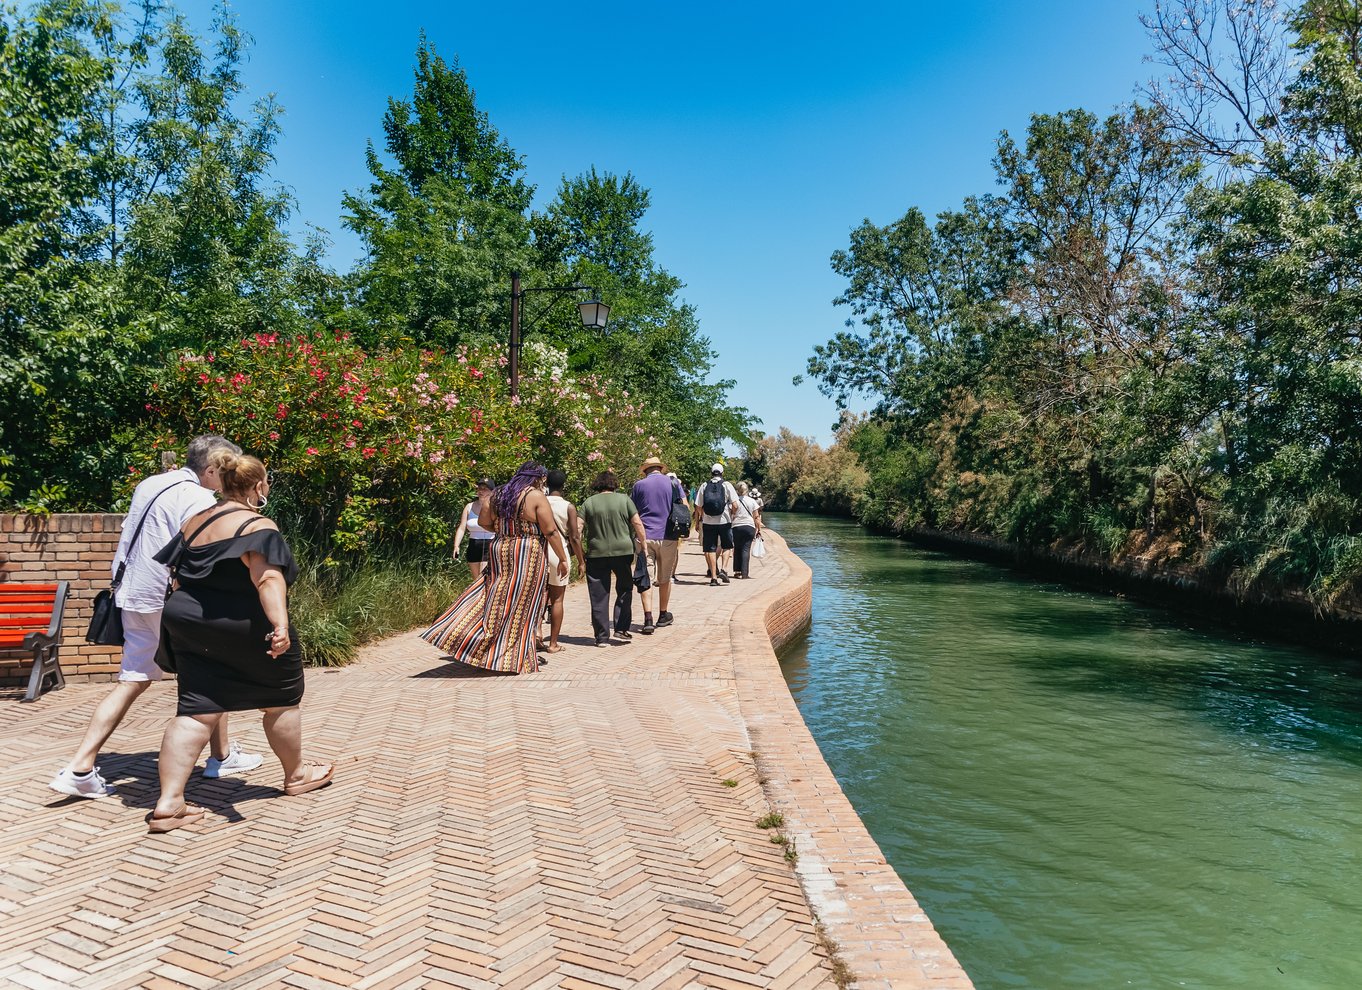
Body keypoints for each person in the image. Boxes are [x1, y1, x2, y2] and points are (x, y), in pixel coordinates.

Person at [49, 435, 262, 800]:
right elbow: (198, 550)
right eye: (224, 470)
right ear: (210, 469)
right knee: (210, 673)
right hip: (168, 598)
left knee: (133, 678)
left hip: (131, 593)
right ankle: (219, 758)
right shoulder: (196, 498)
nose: (227, 479)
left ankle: (81, 766)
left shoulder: (151, 483)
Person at [147, 450, 331, 831]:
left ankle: (169, 803)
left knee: (196, 709)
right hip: (241, 623)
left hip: (188, 622)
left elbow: (177, 577)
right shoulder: (257, 525)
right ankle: (297, 775)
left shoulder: (195, 522)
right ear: (258, 486)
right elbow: (267, 579)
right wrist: (279, 625)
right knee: (280, 697)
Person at [421, 462, 570, 673]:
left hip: (499, 549)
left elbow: (484, 522)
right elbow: (551, 531)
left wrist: (504, 530)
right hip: (527, 551)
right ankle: (514, 655)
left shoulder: (498, 494)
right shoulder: (535, 496)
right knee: (524, 602)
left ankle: (482, 644)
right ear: (538, 478)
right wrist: (563, 558)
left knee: (496, 597)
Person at [580, 470, 648, 646]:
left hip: (596, 553)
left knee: (598, 595)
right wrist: (643, 544)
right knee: (625, 588)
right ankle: (621, 629)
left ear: (597, 484)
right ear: (614, 484)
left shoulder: (589, 502)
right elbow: (637, 523)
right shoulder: (625, 500)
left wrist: (579, 551)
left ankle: (602, 637)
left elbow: (578, 528)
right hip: (623, 552)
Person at [630, 457, 681, 634]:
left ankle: (648, 618)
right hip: (668, 536)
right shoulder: (673, 483)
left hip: (645, 537)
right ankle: (663, 615)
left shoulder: (639, 486)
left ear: (645, 470)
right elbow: (683, 506)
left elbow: (633, 512)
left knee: (646, 576)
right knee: (665, 577)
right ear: (660, 468)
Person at [543, 469, 584, 653]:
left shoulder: (538, 501)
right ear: (563, 485)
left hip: (540, 550)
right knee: (557, 599)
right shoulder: (568, 506)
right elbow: (575, 537)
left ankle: (536, 636)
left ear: (546, 484)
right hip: (559, 553)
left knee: (538, 598)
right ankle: (553, 643)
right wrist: (581, 560)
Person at [695, 463, 739, 586]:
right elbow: (736, 505)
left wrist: (703, 516)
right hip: (724, 521)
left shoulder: (704, 485)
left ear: (712, 472)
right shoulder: (727, 485)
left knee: (711, 549)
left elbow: (698, 506)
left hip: (708, 522)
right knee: (727, 546)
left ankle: (713, 578)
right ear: (722, 473)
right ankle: (724, 569)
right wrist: (732, 515)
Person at [451, 479, 496, 581]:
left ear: (492, 491)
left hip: (489, 543)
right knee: (476, 580)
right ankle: (478, 597)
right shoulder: (469, 506)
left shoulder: (495, 507)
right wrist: (456, 546)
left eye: (485, 489)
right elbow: (462, 528)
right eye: (479, 488)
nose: (481, 491)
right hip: (473, 545)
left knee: (483, 578)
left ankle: (486, 596)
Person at [731, 481, 762, 579]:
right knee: (745, 549)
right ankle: (745, 573)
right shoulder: (752, 501)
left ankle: (737, 571)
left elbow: (731, 513)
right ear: (746, 491)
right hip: (749, 527)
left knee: (737, 548)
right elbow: (756, 517)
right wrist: (759, 530)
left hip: (736, 526)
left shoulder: (734, 501)